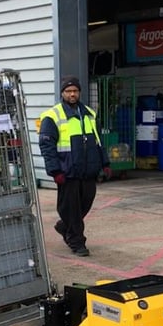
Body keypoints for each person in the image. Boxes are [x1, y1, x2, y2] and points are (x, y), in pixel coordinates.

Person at [39, 76, 110, 257]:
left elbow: (98, 141)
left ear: (79, 92)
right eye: (69, 91)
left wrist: (105, 163)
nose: (72, 94)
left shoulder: (89, 114)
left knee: (86, 201)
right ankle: (77, 242)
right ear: (62, 93)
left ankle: (65, 226)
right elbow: (47, 146)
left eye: (75, 91)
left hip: (88, 170)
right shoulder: (52, 116)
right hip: (67, 171)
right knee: (71, 208)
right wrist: (55, 171)